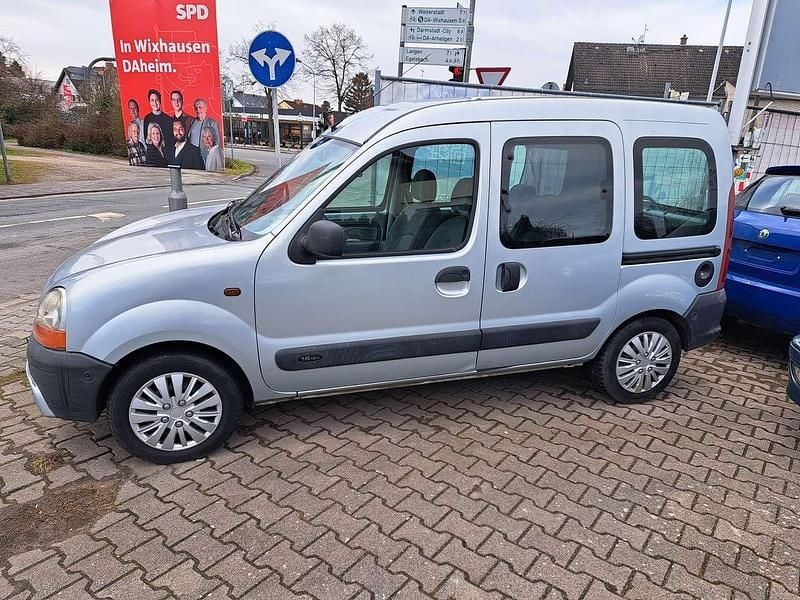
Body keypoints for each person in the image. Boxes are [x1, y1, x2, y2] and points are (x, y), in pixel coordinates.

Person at [188, 98, 220, 162]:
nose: (198, 110)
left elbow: (217, 142)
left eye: (200, 107)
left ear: (206, 108)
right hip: (192, 156)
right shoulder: (192, 121)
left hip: (205, 156)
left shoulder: (212, 123)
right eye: (196, 108)